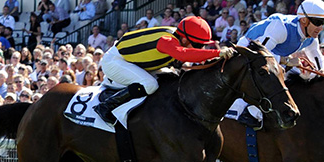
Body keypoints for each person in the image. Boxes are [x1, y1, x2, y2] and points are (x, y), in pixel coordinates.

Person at [94, 16, 230, 124]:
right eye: (197, 45)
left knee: (171, 76)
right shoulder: (167, 41)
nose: (200, 48)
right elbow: (183, 54)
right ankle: (106, 106)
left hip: (133, 61)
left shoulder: (176, 36)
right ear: (184, 39)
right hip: (115, 61)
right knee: (150, 84)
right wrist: (217, 53)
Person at [232, 0, 324, 129]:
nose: (321, 27)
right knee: (273, 78)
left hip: (273, 56)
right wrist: (288, 61)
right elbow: (260, 56)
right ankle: (249, 112)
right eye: (318, 22)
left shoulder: (311, 38)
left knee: (302, 77)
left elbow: (318, 59)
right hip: (248, 50)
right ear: (304, 20)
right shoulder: (281, 27)